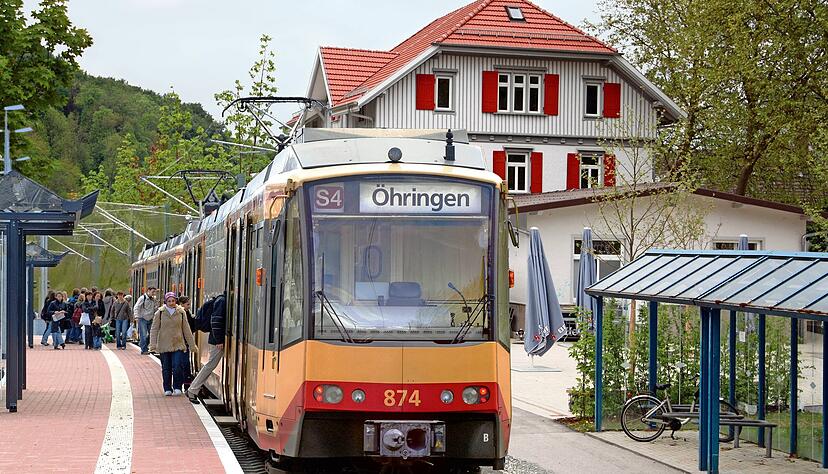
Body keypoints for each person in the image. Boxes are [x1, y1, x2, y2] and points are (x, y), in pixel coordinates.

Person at [149, 292, 197, 396]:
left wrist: (192, 345)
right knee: (166, 368)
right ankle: (167, 388)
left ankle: (177, 387)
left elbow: (186, 329)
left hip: (178, 344)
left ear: (176, 301)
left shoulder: (181, 312)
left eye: (173, 301)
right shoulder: (160, 313)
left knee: (177, 366)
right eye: (169, 301)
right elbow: (154, 329)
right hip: (164, 345)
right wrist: (152, 344)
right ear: (165, 302)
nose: (171, 303)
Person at [186, 292, 226, 403]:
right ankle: (192, 390)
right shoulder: (222, 301)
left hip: (218, 339)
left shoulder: (221, 300)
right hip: (217, 340)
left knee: (210, 365)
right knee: (210, 365)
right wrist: (218, 340)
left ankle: (192, 389)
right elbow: (216, 321)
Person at [134, 287, 158, 354]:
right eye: (153, 292)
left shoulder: (153, 299)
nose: (154, 293)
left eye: (154, 292)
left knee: (152, 334)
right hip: (142, 319)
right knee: (143, 334)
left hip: (151, 318)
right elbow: (136, 307)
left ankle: (144, 344)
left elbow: (155, 309)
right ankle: (144, 350)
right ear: (148, 291)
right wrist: (136, 316)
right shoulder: (142, 298)